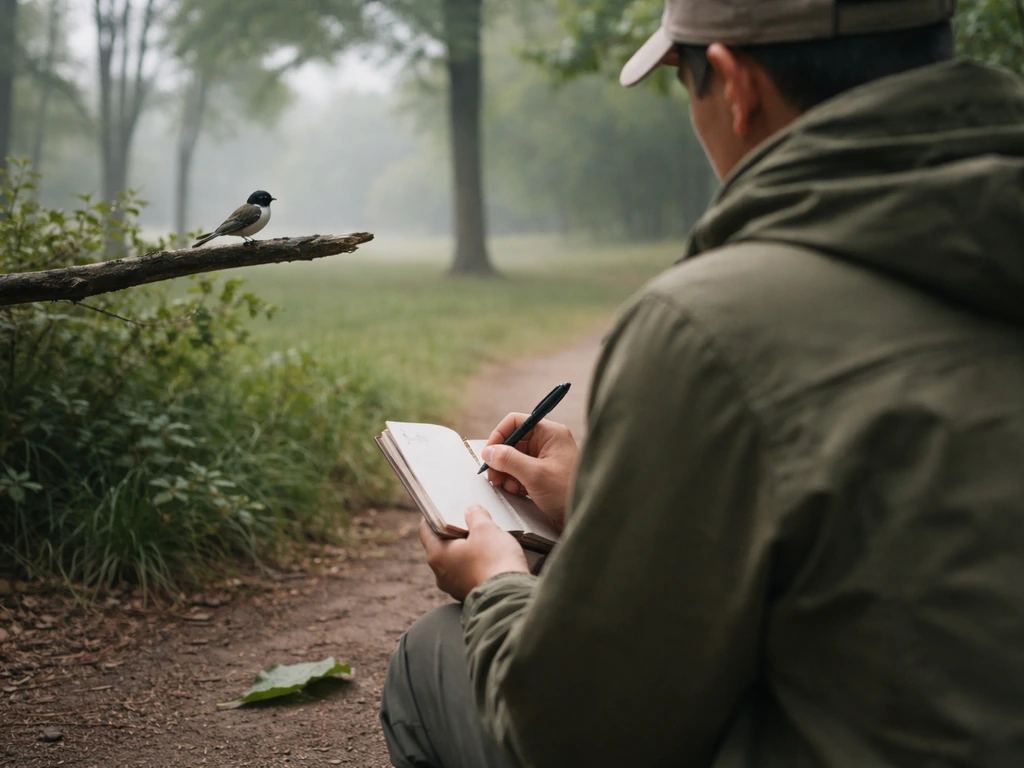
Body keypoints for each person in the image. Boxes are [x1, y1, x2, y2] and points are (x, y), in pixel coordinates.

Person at [380, 0, 1024, 765]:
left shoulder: (710, 326)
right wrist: (601, 500)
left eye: (686, 84)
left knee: (436, 652)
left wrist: (495, 584)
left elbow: (574, 732)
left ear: (733, 82)